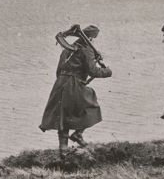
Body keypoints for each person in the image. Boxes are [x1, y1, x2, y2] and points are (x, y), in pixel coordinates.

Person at [39, 25, 112, 155]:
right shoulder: (87, 49)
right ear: (91, 38)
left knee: (63, 115)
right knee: (91, 105)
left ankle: (63, 151)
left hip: (60, 83)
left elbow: (59, 69)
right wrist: (107, 71)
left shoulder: (68, 49)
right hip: (74, 84)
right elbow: (92, 71)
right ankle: (78, 134)